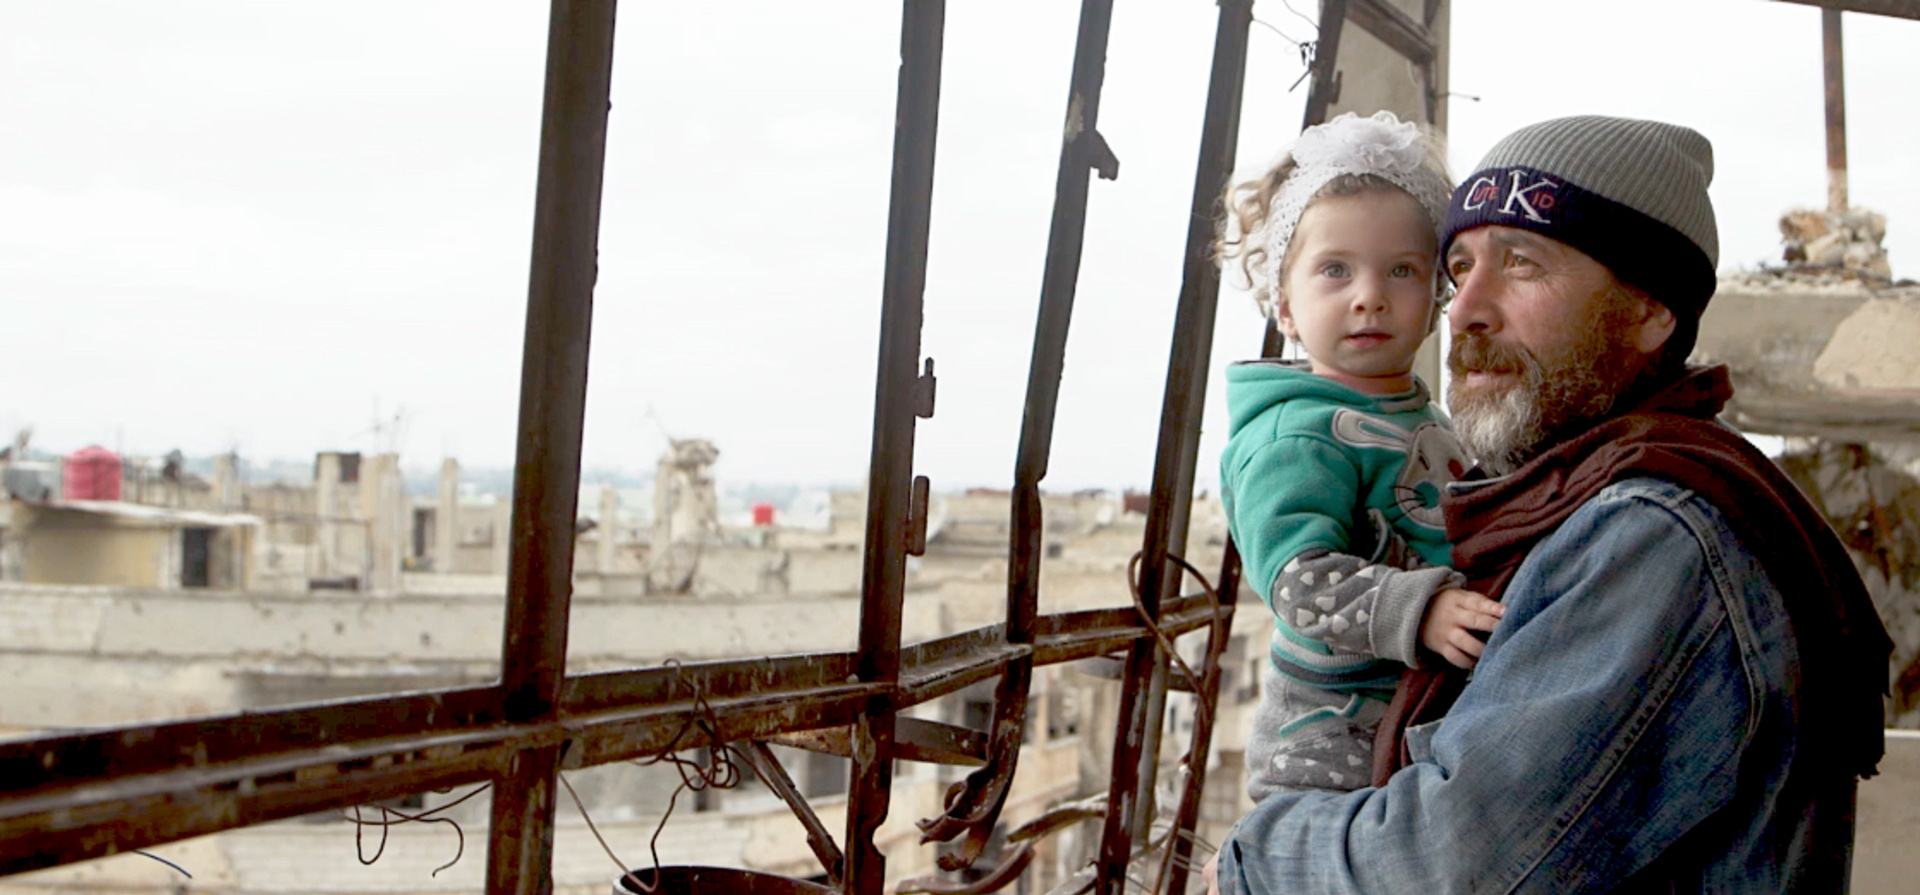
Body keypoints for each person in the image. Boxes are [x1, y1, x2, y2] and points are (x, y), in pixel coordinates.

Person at [1208, 115, 1892, 894]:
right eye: (1459, 268)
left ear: (1648, 311)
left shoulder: (1650, 535)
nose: (1464, 309)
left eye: (1521, 264)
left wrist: (1249, 860)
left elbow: (1448, 865)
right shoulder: (1565, 495)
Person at [1215, 110, 1505, 801]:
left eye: (1401, 270)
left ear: (1436, 296)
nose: (1369, 297)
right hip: (1329, 746)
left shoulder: (1425, 418)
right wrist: (1422, 610)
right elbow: (1297, 582)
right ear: (1285, 304)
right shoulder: (1295, 436)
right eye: (1335, 270)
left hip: (1419, 718)